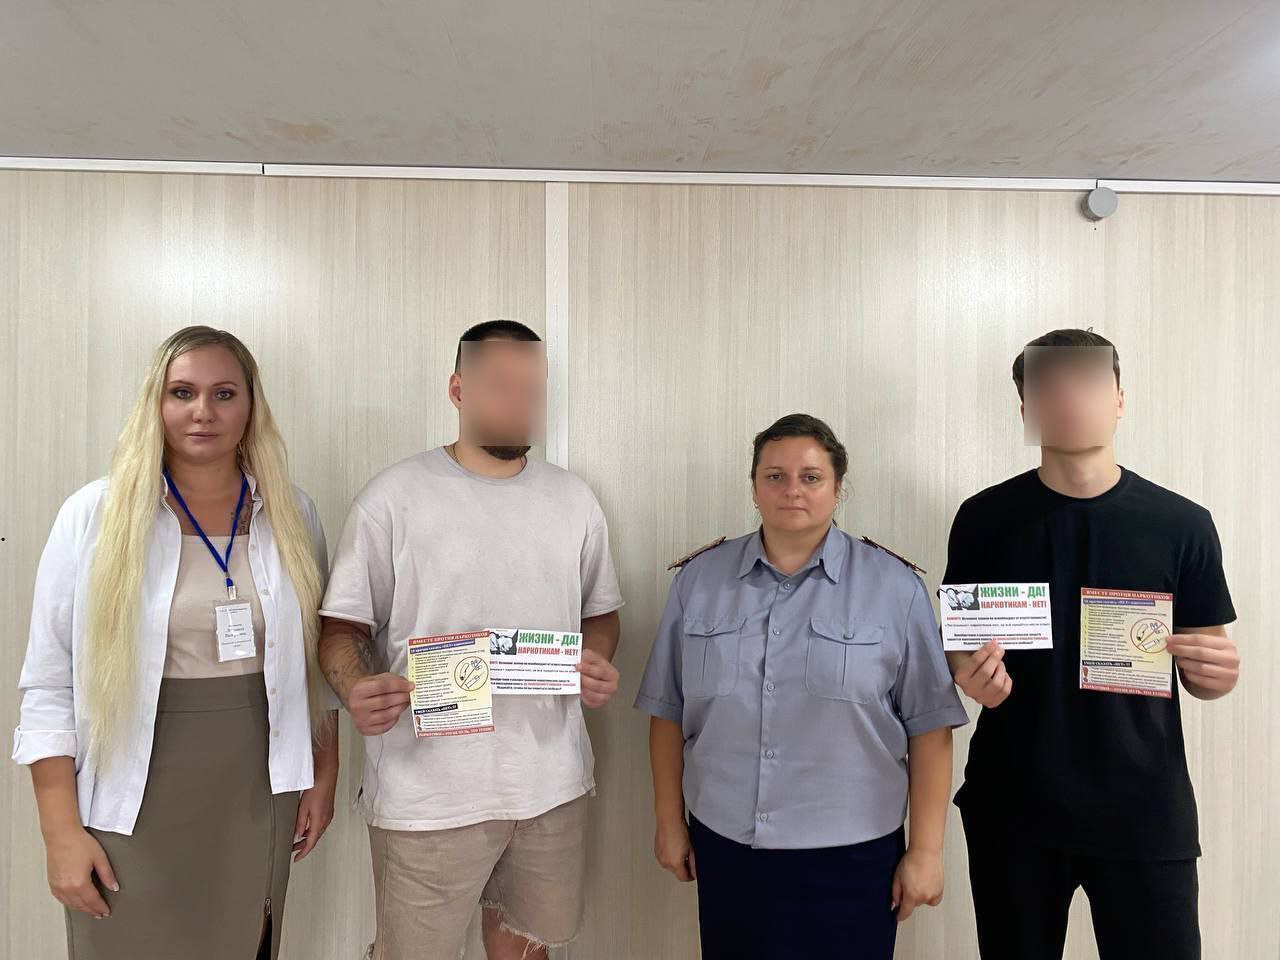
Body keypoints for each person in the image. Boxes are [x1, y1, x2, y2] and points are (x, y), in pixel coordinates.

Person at [13, 326, 336, 959]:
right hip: (131, 785)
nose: (202, 411)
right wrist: (59, 833)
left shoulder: (291, 514)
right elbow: (49, 682)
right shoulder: (94, 515)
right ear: (155, 403)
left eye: (224, 393)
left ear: (252, 406)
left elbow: (313, 663)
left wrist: (324, 773)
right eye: (182, 392)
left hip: (257, 785)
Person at [318, 319, 625, 960]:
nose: (519, 401)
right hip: (426, 792)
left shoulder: (573, 500)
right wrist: (356, 688)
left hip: (550, 783)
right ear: (458, 390)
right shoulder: (392, 498)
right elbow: (342, 629)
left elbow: (600, 613)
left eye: (532, 387)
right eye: (501, 385)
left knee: (528, 949)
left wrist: (594, 659)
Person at [946, 328, 1240, 960]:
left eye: (1086, 382)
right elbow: (960, 647)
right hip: (1014, 807)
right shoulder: (983, 518)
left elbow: (1204, 662)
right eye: (1049, 387)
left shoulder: (1182, 524)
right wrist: (969, 675)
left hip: (1144, 808)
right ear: (1026, 408)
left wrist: (1217, 675)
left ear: (1119, 398)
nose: (1070, 398)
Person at [635, 413, 968, 960]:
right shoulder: (699, 582)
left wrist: (927, 851)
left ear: (838, 488)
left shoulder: (895, 588)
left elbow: (929, 727)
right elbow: (668, 711)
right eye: (775, 476)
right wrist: (668, 821)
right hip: (728, 845)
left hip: (852, 855)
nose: (792, 490)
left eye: (811, 477)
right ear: (754, 487)